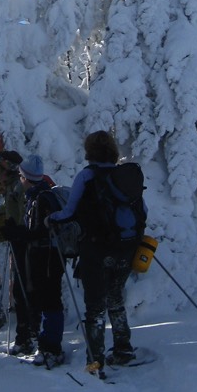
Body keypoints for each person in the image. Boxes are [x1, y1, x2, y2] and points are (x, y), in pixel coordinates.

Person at [47, 130, 140, 370]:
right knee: (116, 299)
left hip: (96, 248)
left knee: (95, 306)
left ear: (89, 151)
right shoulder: (125, 177)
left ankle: (95, 359)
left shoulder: (87, 176)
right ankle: (123, 348)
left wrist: (52, 218)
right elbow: (142, 211)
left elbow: (69, 211)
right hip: (125, 248)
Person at [2, 154, 65, 367]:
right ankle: (45, 344)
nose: (20, 178)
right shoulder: (37, 195)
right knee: (45, 299)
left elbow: (39, 231)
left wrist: (18, 233)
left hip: (46, 257)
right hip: (44, 256)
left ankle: (51, 348)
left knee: (50, 300)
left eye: (21, 175)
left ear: (26, 177)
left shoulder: (41, 197)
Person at [0, 149, 37, 355]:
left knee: (23, 289)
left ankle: (26, 336)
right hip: (21, 242)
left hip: (25, 244)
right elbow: (10, 208)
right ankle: (27, 335)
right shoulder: (12, 185)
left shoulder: (18, 186)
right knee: (20, 288)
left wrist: (14, 230)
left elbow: (22, 215)